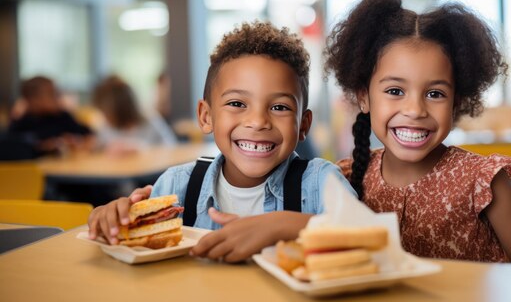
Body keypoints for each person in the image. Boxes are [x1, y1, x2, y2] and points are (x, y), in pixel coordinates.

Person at [88, 22, 357, 262]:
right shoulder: (177, 185)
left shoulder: (320, 182)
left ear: (304, 125)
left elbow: (366, 236)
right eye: (237, 103)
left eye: (279, 107)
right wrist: (116, 220)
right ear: (206, 117)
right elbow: (139, 248)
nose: (258, 121)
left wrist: (285, 225)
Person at [325, 0, 511, 265]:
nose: (415, 110)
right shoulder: (345, 180)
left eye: (435, 94)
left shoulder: (486, 183)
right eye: (395, 90)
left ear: (456, 103)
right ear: (364, 96)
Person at [8, 76, 94, 156]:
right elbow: (14, 148)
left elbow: (88, 134)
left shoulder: (62, 117)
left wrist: (77, 143)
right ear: (32, 99)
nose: (58, 97)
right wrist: (43, 147)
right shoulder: (21, 124)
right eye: (51, 93)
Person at [92, 76, 177, 156]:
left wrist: (141, 149)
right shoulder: (106, 127)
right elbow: (99, 149)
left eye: (105, 112)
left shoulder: (151, 120)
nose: (104, 117)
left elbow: (172, 149)